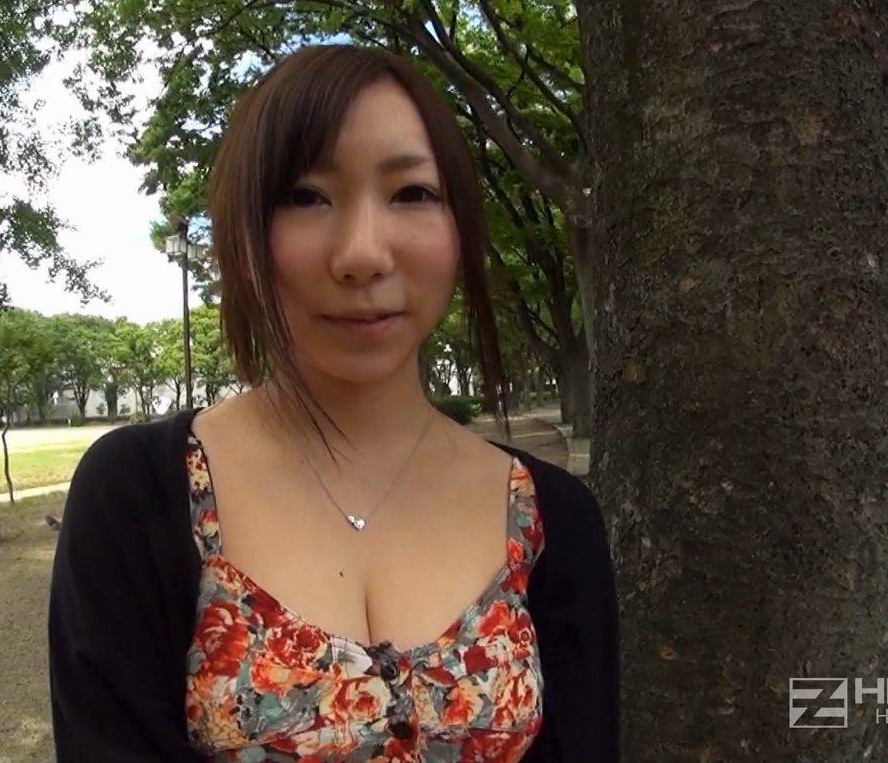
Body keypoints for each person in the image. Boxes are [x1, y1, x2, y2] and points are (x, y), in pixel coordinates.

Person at [48, 44, 619, 762]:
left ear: (461, 229)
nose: (362, 254)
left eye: (411, 193)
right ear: (245, 232)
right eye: (307, 196)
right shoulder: (135, 494)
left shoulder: (555, 518)